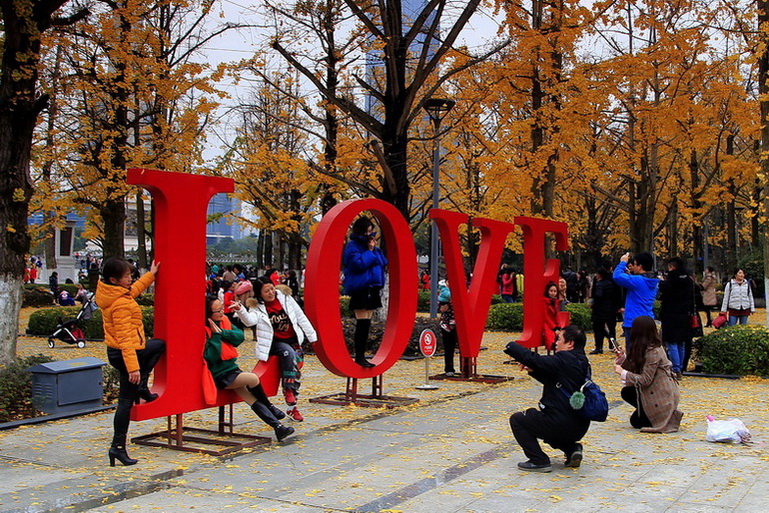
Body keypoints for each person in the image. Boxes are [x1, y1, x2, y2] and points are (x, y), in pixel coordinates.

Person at [96, 258, 165, 467]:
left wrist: (150, 275)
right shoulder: (119, 305)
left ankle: (142, 386)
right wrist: (134, 368)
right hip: (127, 354)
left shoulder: (114, 294)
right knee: (125, 402)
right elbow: (125, 338)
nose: (130, 279)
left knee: (158, 345)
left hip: (122, 352)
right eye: (126, 276)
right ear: (113, 279)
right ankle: (117, 448)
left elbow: (133, 290)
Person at [204, 297, 294, 442]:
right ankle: (270, 407)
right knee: (252, 379)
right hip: (218, 375)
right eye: (218, 311)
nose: (222, 312)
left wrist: (222, 333)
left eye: (222, 308)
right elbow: (211, 357)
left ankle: (278, 427)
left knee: (250, 398)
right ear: (208, 314)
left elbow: (239, 337)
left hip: (231, 369)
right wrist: (215, 336)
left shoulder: (224, 322)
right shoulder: (205, 330)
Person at [504, 325, 591, 472]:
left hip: (560, 423)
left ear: (570, 343)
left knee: (518, 420)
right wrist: (533, 371)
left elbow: (534, 359)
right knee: (550, 423)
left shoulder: (564, 358)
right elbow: (557, 382)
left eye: (559, 339)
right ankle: (572, 449)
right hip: (579, 425)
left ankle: (539, 460)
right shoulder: (582, 361)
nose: (556, 343)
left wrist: (511, 346)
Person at [234, 277, 317, 422]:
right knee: (288, 353)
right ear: (260, 294)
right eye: (266, 291)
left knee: (295, 370)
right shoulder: (257, 306)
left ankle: (292, 406)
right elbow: (250, 321)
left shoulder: (285, 297)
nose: (271, 292)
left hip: (293, 340)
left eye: (272, 288)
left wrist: (312, 336)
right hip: (275, 343)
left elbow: (300, 316)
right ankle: (288, 392)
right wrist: (241, 310)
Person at [613, 316, 683, 433]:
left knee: (637, 421)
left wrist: (623, 372)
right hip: (653, 390)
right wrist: (622, 357)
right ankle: (648, 411)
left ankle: (658, 414)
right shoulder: (645, 347)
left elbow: (645, 380)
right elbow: (636, 366)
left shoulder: (654, 351)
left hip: (661, 395)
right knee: (627, 393)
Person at [342, 216, 388, 368]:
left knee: (367, 322)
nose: (370, 234)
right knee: (362, 323)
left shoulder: (372, 245)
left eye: (371, 231)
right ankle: (359, 356)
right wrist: (369, 251)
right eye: (367, 231)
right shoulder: (353, 246)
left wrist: (373, 249)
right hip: (361, 287)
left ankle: (362, 356)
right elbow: (357, 264)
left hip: (372, 286)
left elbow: (382, 262)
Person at [612, 252, 659, 352]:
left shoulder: (637, 281)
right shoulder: (653, 281)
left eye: (635, 264)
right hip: (648, 320)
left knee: (633, 354)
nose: (633, 266)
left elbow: (616, 276)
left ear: (640, 266)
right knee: (646, 352)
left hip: (634, 322)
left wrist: (622, 262)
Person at [658, 257, 696, 378]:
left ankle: (675, 368)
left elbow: (662, 293)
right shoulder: (689, 280)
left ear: (672, 267)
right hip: (684, 314)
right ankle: (680, 367)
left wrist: (661, 281)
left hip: (670, 314)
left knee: (671, 342)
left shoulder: (670, 281)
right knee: (681, 343)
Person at [590, 269, 620, 354]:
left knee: (598, 329)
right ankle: (613, 344)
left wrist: (593, 303)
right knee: (611, 328)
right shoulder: (611, 283)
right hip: (610, 310)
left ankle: (599, 347)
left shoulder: (599, 285)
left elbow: (598, 296)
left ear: (599, 275)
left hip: (599, 310)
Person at [437, 280, 457, 376]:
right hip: (447, 325)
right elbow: (441, 308)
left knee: (458, 346)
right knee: (449, 347)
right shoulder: (445, 293)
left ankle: (463, 367)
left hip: (458, 324)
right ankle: (449, 368)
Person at [542, 282, 561, 351]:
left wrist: (558, 327)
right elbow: (545, 316)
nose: (553, 293)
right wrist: (555, 328)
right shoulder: (544, 302)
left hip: (554, 324)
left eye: (555, 291)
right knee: (550, 337)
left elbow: (557, 315)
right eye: (551, 291)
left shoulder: (555, 302)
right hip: (548, 324)